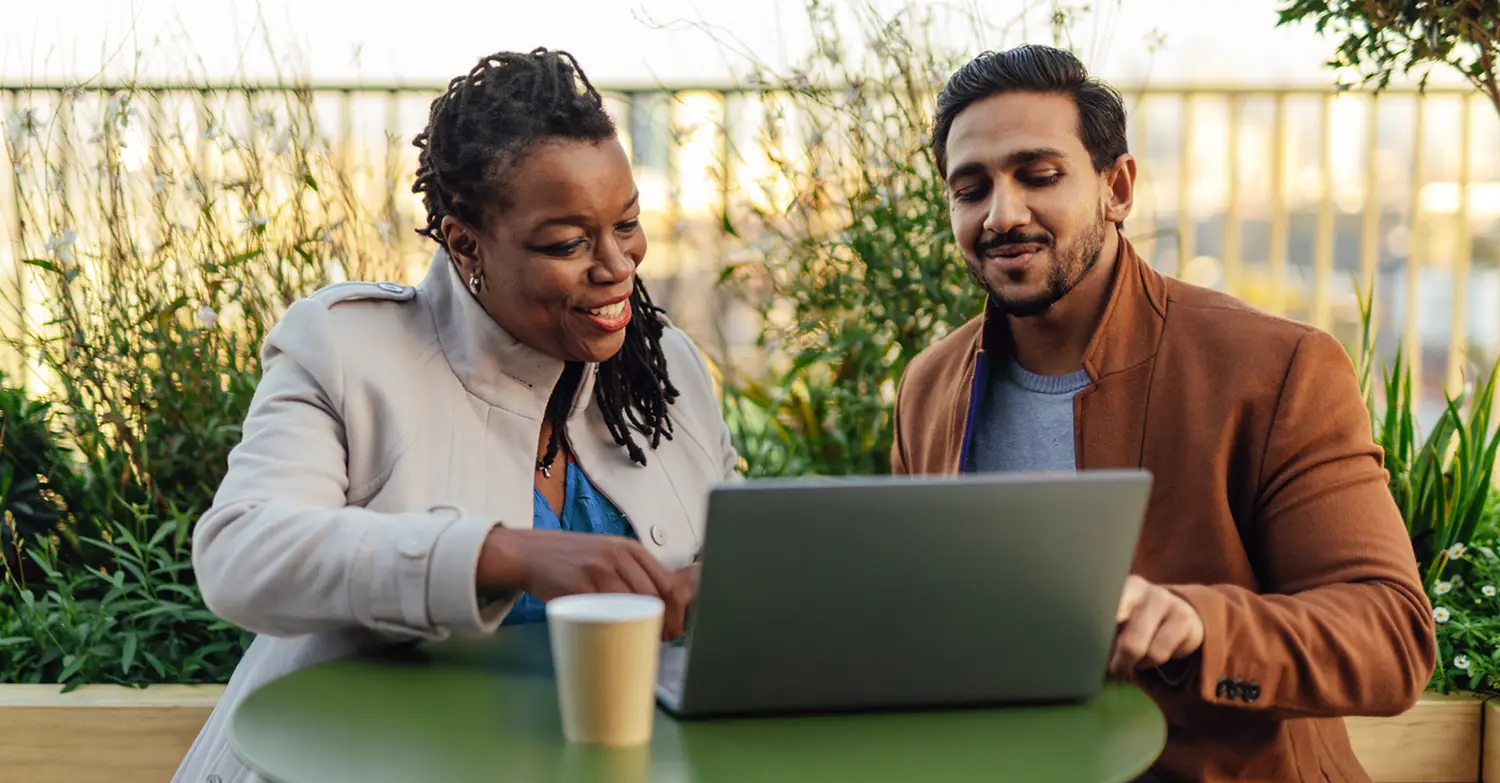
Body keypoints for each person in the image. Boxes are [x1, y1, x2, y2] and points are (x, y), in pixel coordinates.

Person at [172, 48, 739, 783]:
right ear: (466, 242)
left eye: (627, 222)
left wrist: (716, 585)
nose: (617, 263)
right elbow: (241, 554)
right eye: (567, 242)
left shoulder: (666, 366)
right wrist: (503, 553)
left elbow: (724, 542)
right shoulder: (350, 349)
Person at [890, 44, 1436, 782]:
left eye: (1039, 175)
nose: (1002, 213)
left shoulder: (1276, 368)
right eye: (971, 188)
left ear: (1117, 187)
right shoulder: (929, 388)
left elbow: (1391, 638)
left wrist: (1199, 623)